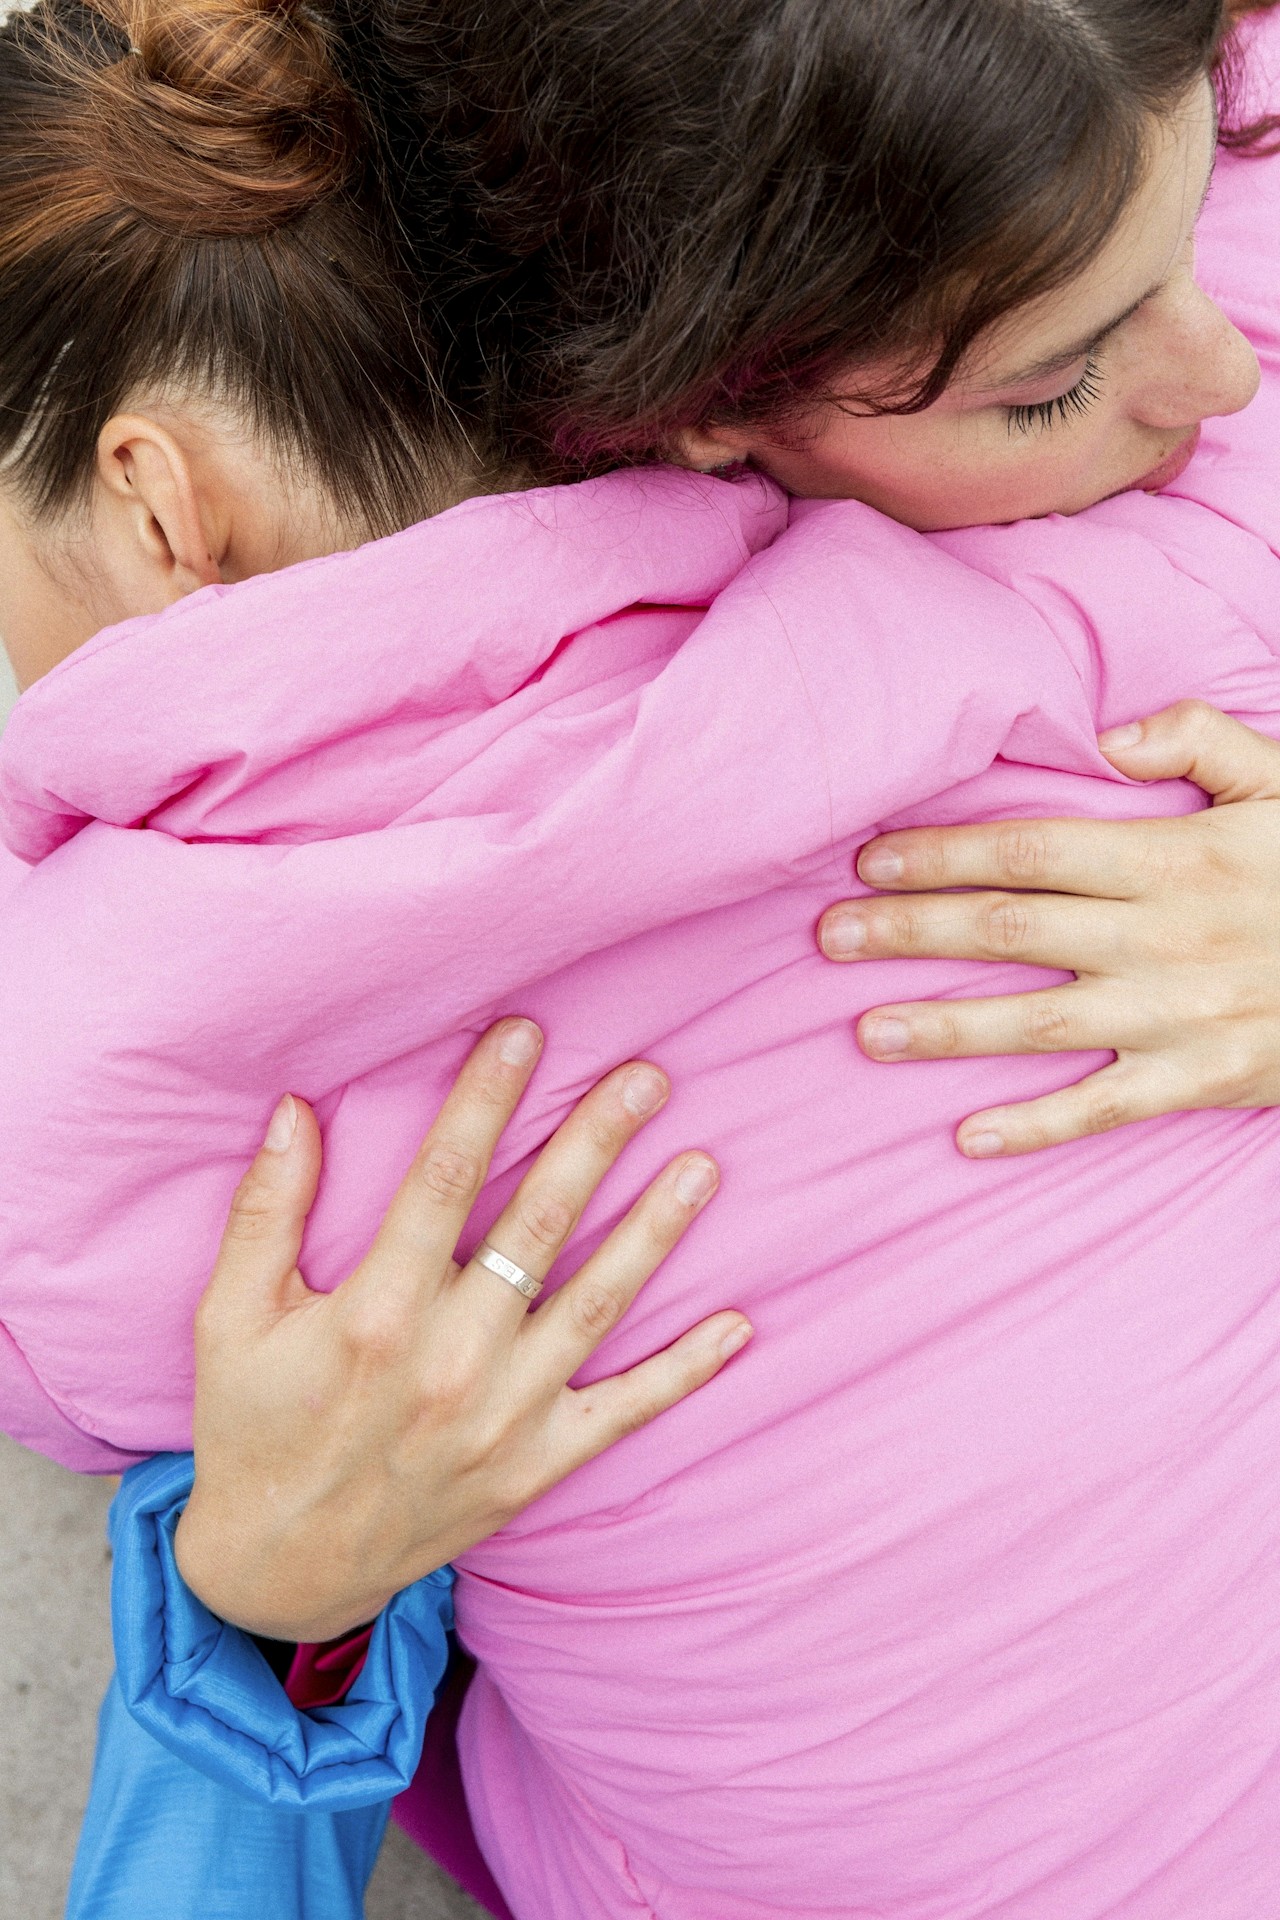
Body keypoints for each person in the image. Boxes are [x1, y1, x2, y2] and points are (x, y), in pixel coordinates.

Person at [3, 2, 1280, 1917]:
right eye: (1055, 377)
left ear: (164, 508)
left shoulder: (81, 1056)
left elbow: (67, 1379)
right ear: (708, 428)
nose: (1215, 385)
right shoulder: (1078, 593)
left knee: (299, 1506)